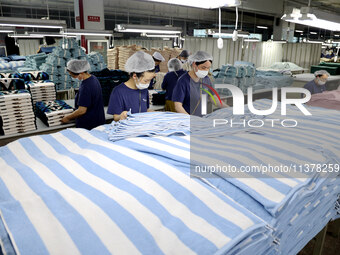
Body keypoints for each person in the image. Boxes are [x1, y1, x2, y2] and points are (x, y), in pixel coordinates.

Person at [172, 51, 227, 116]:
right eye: (203, 67)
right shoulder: (183, 81)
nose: (206, 70)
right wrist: (191, 119)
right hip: (187, 121)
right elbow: (178, 106)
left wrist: (228, 108)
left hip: (201, 120)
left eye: (208, 68)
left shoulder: (206, 79)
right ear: (194, 64)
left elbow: (213, 98)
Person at [107, 51, 155, 121]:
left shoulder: (144, 89)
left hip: (142, 128)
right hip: (127, 130)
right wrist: (122, 116)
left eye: (150, 80)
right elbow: (116, 117)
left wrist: (157, 114)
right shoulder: (118, 91)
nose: (148, 83)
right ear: (135, 76)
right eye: (145, 80)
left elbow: (145, 110)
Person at [61, 59, 105, 130]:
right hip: (97, 120)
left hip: (89, 124)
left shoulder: (86, 86)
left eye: (72, 75)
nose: (73, 78)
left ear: (80, 73)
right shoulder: (93, 78)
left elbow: (82, 110)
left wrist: (67, 118)